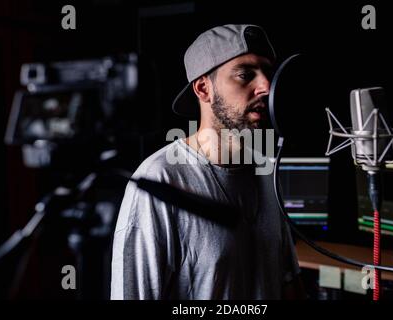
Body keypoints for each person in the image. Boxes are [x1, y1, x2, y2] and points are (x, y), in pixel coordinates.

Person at [111, 24, 304, 299]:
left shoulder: (267, 171)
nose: (266, 87)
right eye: (245, 75)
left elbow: (287, 285)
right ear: (203, 89)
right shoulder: (159, 182)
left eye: (268, 74)